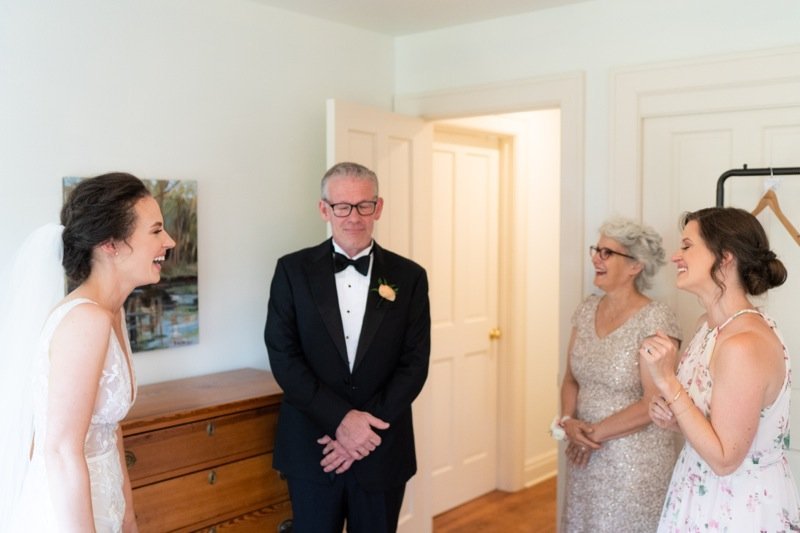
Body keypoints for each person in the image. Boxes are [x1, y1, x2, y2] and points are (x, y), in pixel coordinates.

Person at [0, 172, 176, 532]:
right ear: (110, 244)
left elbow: (111, 429)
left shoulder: (111, 311)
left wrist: (127, 516)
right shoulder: (86, 320)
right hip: (69, 514)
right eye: (156, 231)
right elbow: (60, 450)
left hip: (104, 501)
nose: (169, 241)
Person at [264, 162, 431, 533]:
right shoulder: (291, 271)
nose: (353, 216)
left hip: (381, 447)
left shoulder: (410, 277)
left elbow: (415, 363)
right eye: (342, 206)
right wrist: (340, 421)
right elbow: (283, 356)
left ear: (379, 207)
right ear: (324, 209)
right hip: (313, 448)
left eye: (363, 205)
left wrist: (362, 431)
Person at [642, 207, 800, 531]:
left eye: (687, 246)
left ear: (725, 258)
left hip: (737, 506)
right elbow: (712, 426)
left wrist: (669, 382)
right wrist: (671, 416)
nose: (676, 256)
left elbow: (726, 459)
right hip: (696, 489)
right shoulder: (707, 327)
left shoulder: (743, 345)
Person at [558, 217, 683, 533]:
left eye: (607, 252)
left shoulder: (656, 319)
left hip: (634, 464)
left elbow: (653, 402)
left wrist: (591, 436)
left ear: (635, 266)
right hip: (583, 455)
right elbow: (571, 378)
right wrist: (567, 422)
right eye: (596, 250)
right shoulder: (586, 309)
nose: (596, 258)